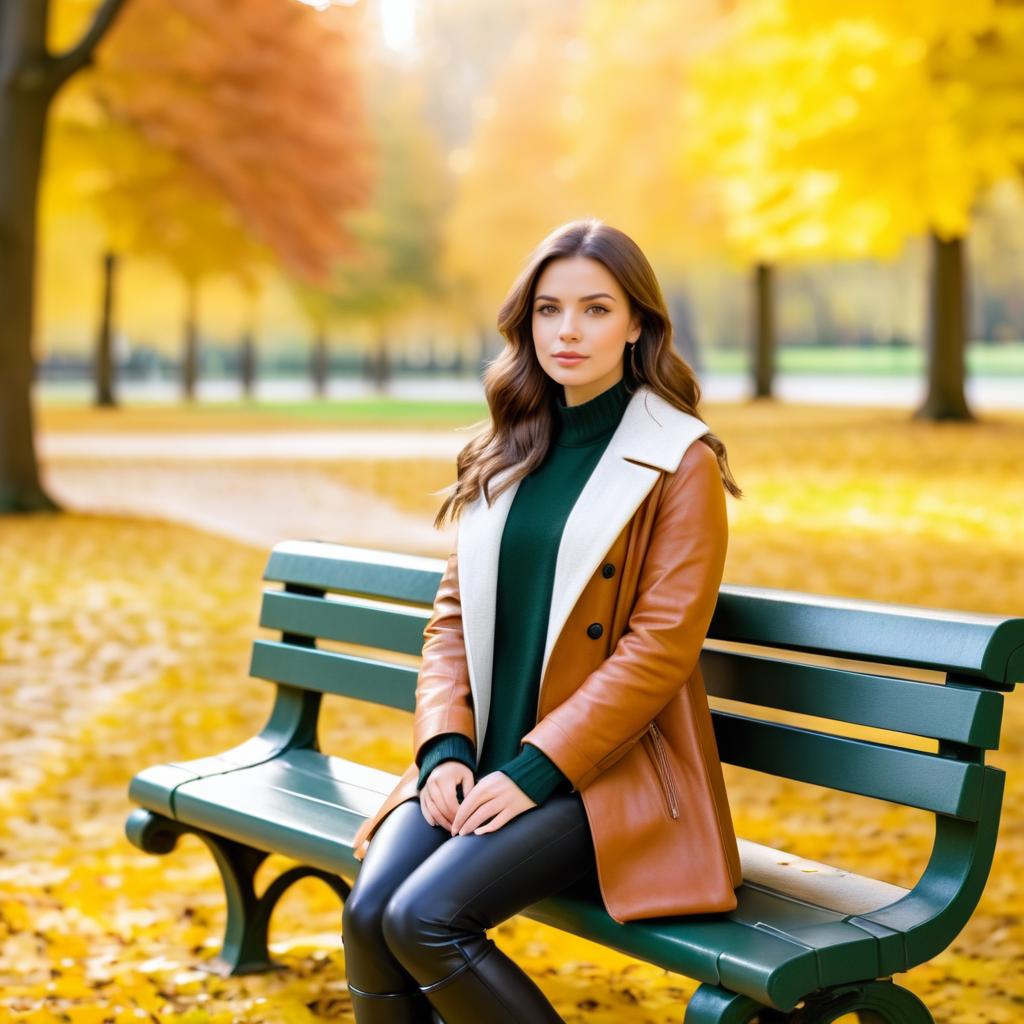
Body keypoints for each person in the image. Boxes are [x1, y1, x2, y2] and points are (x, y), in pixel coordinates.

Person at [342, 219, 745, 1023]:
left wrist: (532, 773)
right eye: (549, 310)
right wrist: (445, 748)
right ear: (525, 323)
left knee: (425, 920)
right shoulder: (508, 447)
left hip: (600, 775)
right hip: (479, 759)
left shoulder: (678, 462)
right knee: (368, 917)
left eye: (596, 310)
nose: (568, 331)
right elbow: (451, 625)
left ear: (638, 325)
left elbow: (657, 653)